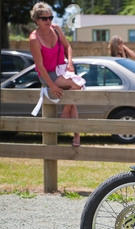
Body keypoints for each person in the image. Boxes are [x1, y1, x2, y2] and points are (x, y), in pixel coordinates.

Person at [29, 2, 83, 147]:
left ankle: (75, 133)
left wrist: (70, 63)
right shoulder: (34, 39)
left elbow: (68, 47)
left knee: (73, 100)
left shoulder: (57, 29)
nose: (48, 21)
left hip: (62, 69)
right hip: (48, 74)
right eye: (44, 18)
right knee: (76, 85)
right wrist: (52, 85)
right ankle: (73, 130)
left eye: (50, 17)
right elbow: (39, 66)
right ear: (36, 20)